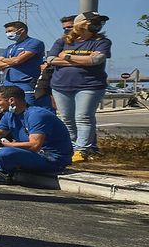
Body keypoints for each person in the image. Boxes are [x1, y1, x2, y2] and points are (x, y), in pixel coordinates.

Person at [0, 86, 72, 184]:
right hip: (28, 153)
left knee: (5, 153)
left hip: (50, 158)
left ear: (11, 100)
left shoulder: (36, 115)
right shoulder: (9, 115)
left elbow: (35, 146)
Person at [46, 11, 111, 161]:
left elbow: (95, 61)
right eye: (94, 21)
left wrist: (66, 56)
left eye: (100, 22)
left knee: (83, 117)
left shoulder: (102, 42)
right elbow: (51, 59)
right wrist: (84, 59)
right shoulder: (63, 41)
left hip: (89, 86)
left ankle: (83, 149)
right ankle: (72, 146)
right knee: (67, 119)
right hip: (61, 85)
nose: (98, 25)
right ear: (81, 24)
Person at [0, 20, 46, 106]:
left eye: (10, 31)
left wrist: (11, 60)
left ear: (21, 30)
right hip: (9, 82)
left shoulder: (34, 43)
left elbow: (17, 60)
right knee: (8, 107)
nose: (8, 34)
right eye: (6, 32)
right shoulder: (10, 47)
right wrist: (14, 60)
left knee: (27, 107)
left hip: (26, 82)